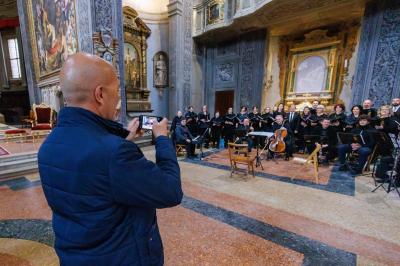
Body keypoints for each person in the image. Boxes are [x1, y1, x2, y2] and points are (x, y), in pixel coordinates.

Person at [38, 53, 183, 265]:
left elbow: (94, 180)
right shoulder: (114, 154)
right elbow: (171, 190)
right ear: (100, 94)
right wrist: (161, 138)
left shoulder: (48, 146)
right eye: (117, 92)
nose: (118, 100)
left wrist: (124, 140)